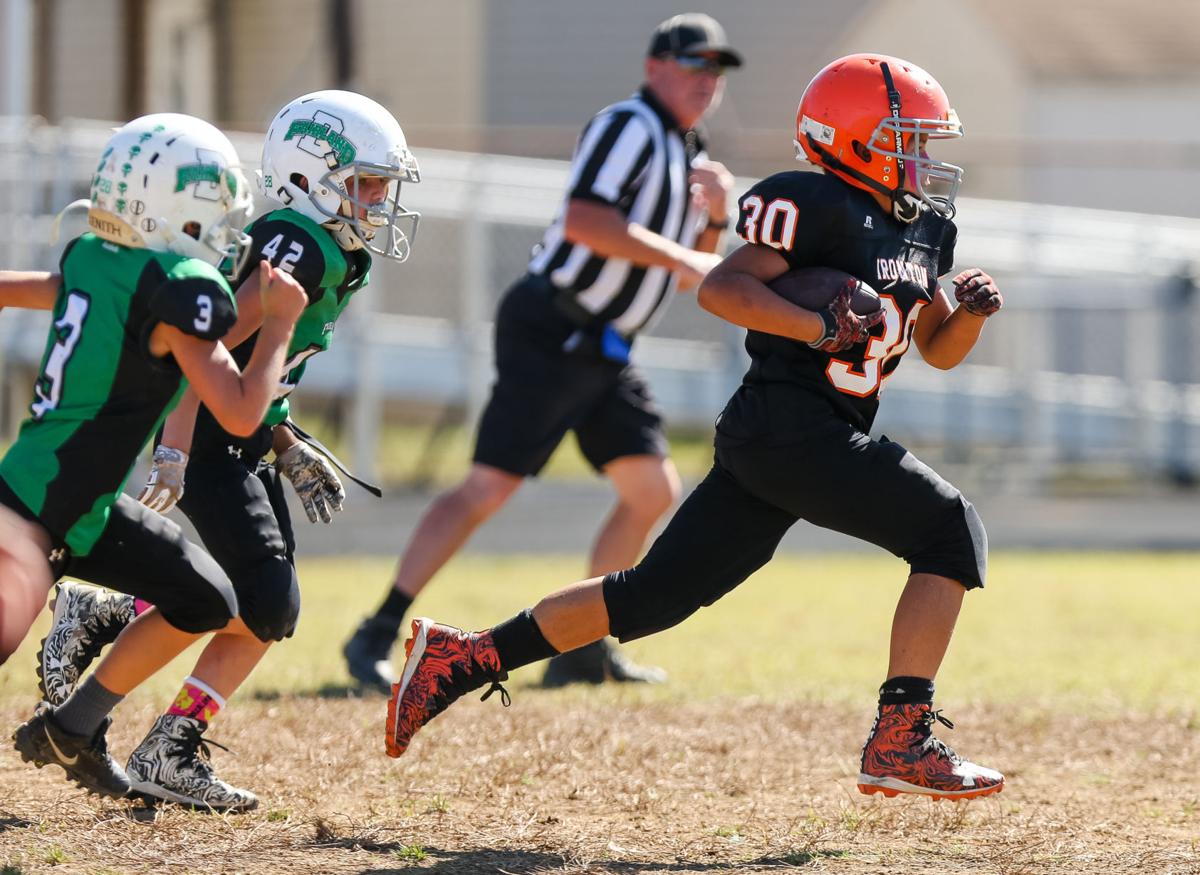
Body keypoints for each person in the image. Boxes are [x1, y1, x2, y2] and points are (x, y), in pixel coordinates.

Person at [383, 53, 1009, 802]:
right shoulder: (815, 203)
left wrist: (969, 315)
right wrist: (816, 326)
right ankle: (900, 738)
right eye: (909, 139)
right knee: (948, 530)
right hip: (791, 426)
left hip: (787, 438)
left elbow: (938, 349)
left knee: (652, 597)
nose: (924, 156)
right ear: (854, 139)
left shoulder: (923, 228)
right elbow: (722, 288)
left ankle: (463, 657)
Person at [32, 90, 421, 811]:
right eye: (366, 182)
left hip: (241, 435)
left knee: (270, 608)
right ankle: (120, 674)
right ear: (308, 176)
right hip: (213, 435)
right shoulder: (299, 245)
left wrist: (284, 436)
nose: (378, 199)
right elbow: (208, 348)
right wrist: (176, 448)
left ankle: (154, 717)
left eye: (381, 184)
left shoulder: (328, 246)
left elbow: (263, 367)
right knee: (263, 602)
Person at [344, 12, 742, 692]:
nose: (707, 80)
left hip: (607, 344)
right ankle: (376, 632)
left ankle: (582, 648)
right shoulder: (628, 125)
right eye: (693, 64)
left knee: (652, 489)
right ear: (654, 68)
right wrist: (687, 252)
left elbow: (686, 273)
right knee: (488, 487)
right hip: (555, 324)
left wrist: (717, 217)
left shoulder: (686, 154)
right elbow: (587, 219)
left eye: (717, 70)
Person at [3, 113, 307, 799]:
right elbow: (240, 411)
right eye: (217, 211)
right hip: (40, 511)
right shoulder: (176, 289)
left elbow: (35, 290)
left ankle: (72, 727)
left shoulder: (97, 256)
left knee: (206, 597)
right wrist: (280, 324)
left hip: (73, 501)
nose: (228, 229)